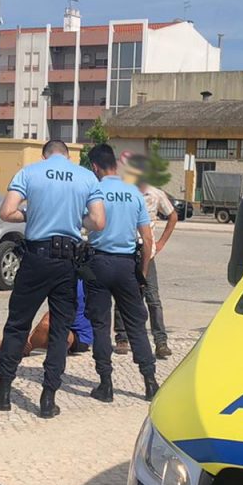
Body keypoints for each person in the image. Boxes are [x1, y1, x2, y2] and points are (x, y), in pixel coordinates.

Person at [0, 140, 105, 417]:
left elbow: (6, 212)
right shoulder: (86, 177)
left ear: (45, 156)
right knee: (59, 330)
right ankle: (48, 398)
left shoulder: (29, 172)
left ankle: (3, 393)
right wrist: (76, 219)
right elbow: (99, 222)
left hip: (35, 258)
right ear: (67, 156)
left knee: (18, 324)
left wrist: (30, 213)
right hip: (67, 262)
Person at [83, 144, 159, 403]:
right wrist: (142, 273)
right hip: (127, 265)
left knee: (101, 325)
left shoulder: (94, 191)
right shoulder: (134, 193)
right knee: (136, 325)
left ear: (95, 167)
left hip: (98, 263)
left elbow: (84, 223)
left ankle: (105, 384)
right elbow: (147, 239)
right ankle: (150, 382)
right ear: (115, 164)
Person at [115, 158, 178, 358]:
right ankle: (122, 337)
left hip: (147, 253)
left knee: (153, 298)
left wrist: (161, 243)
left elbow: (172, 216)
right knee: (123, 294)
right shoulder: (124, 192)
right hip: (126, 250)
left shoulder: (155, 194)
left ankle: (160, 341)